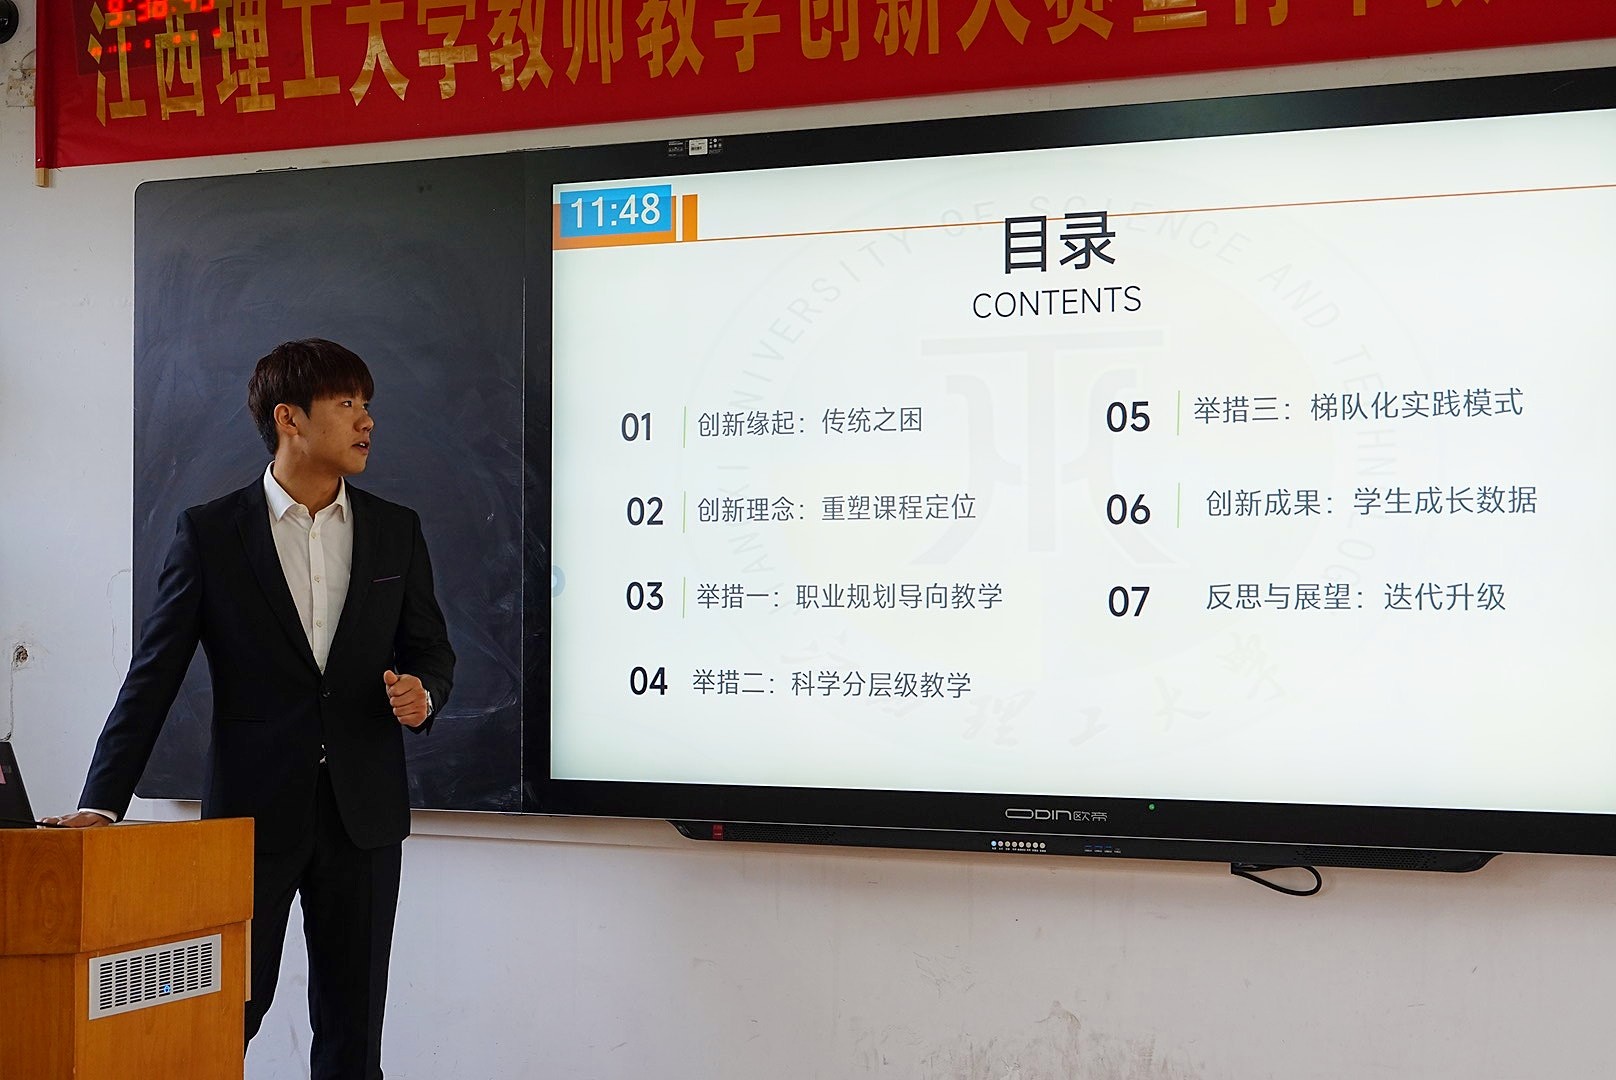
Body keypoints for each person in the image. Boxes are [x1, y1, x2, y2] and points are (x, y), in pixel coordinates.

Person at [49, 338, 455, 1080]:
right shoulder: (211, 533)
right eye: (347, 404)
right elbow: (153, 676)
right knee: (225, 1016)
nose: (367, 421)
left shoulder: (396, 529)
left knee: (353, 1034)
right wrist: (101, 804)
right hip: (250, 818)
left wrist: (423, 693)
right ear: (288, 418)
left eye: (367, 405)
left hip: (364, 818)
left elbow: (432, 650)